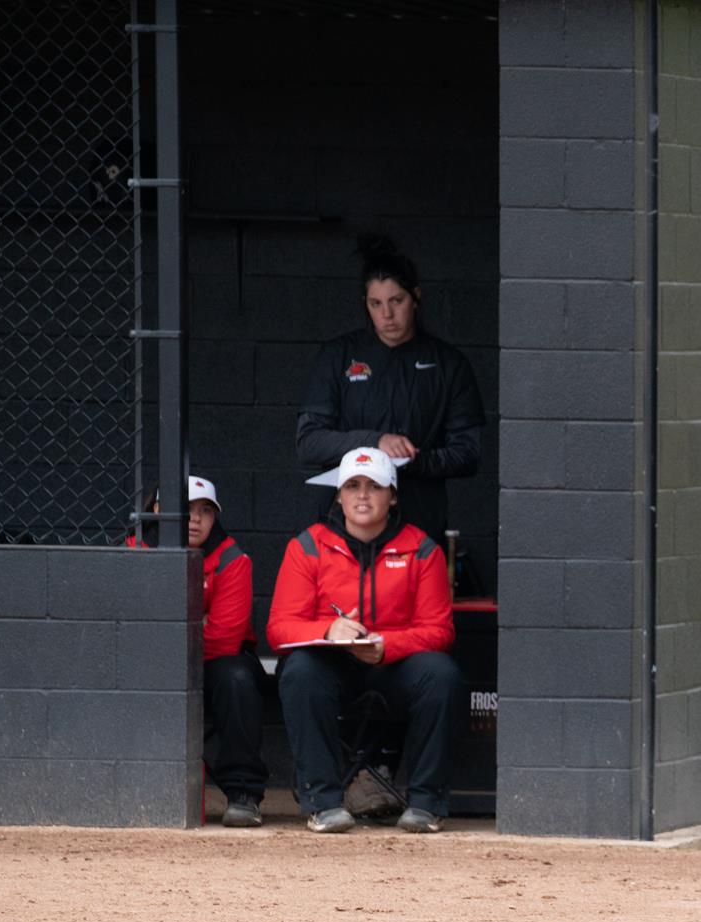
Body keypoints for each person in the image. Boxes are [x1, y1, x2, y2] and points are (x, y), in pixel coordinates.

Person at [267, 447, 463, 834]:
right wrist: (327, 631)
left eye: (374, 486)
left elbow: (440, 630)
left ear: (392, 495)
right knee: (300, 669)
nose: (362, 495)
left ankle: (426, 804)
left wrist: (387, 645)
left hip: (393, 667)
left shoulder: (422, 549)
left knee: (443, 674)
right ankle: (323, 804)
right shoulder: (307, 546)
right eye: (352, 486)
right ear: (338, 495)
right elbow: (279, 629)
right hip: (332, 669)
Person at [297, 234, 483, 545]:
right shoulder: (338, 355)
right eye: (376, 303)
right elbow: (308, 442)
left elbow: (469, 454)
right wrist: (376, 443)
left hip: (419, 519)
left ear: (416, 298)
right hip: (345, 524)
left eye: (396, 301)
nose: (387, 315)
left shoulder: (449, 363)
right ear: (365, 305)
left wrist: (413, 460)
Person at [128, 476, 268, 828]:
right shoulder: (134, 548)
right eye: (186, 509)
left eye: (205, 510)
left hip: (217, 662)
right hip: (152, 662)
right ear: (158, 510)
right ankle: (134, 790)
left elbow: (224, 639)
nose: (195, 518)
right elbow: (130, 628)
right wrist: (197, 622)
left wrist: (168, 627)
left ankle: (242, 794)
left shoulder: (232, 557)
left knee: (237, 678)